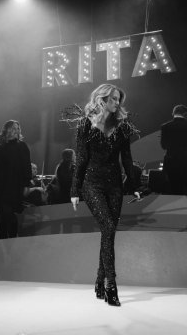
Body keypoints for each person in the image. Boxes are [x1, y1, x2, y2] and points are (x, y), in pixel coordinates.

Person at [70, 83, 140, 307]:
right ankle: (111, 285)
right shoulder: (85, 123)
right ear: (102, 99)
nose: (117, 103)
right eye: (113, 99)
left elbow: (126, 158)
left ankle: (99, 281)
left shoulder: (122, 125)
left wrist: (134, 184)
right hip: (91, 184)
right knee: (108, 227)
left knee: (108, 233)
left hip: (115, 185)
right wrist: (75, 190)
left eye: (119, 99)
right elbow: (81, 159)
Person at [0, 120, 32, 239]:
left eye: (17, 128)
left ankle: (12, 239)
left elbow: (27, 167)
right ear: (6, 130)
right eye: (13, 128)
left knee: (9, 213)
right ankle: (2, 240)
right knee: (0, 214)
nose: (16, 131)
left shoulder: (22, 146)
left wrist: (26, 184)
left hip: (14, 186)